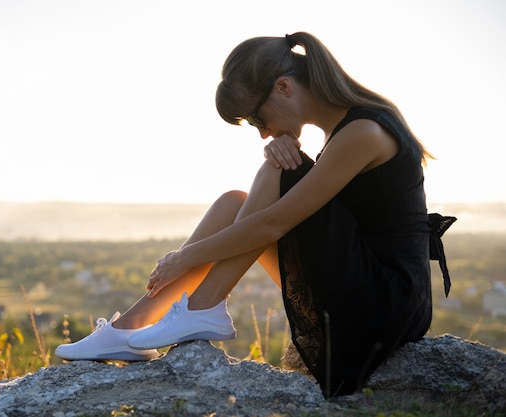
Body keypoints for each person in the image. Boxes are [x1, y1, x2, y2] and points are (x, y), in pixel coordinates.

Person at [55, 31, 455, 397]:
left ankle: (203, 307)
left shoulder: (363, 131)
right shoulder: (344, 130)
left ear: (283, 87)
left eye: (257, 120)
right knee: (234, 200)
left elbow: (274, 223)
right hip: (364, 284)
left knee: (279, 169)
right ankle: (130, 328)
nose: (263, 132)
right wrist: (281, 160)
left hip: (385, 303)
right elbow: (281, 217)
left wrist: (184, 257)